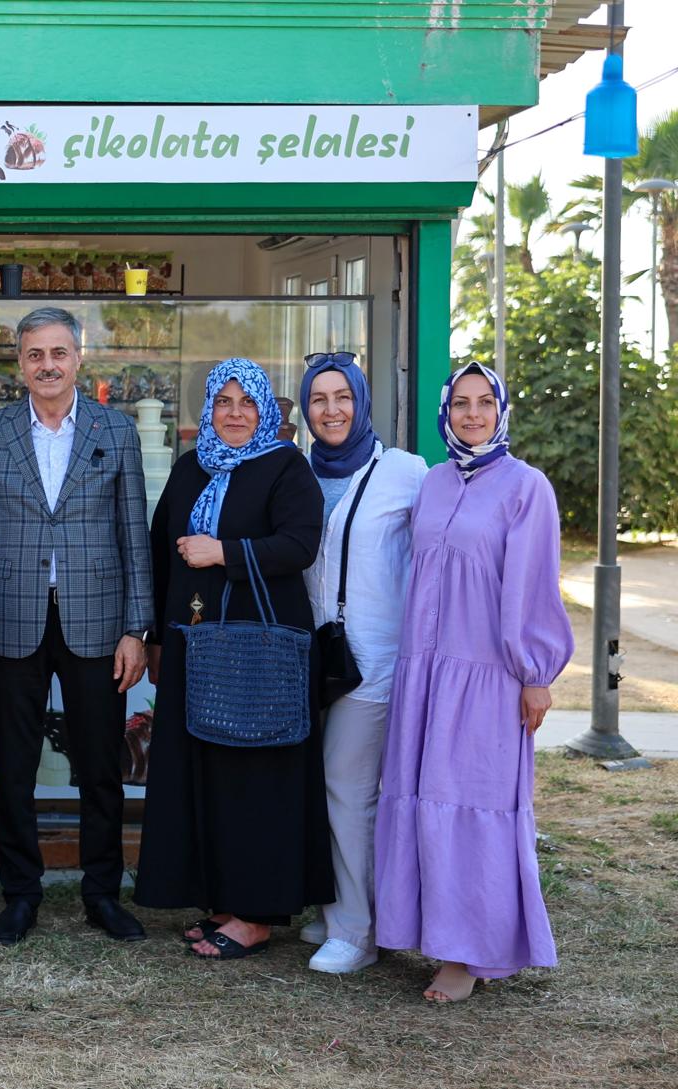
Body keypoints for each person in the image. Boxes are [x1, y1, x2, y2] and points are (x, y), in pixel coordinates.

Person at [0, 306, 151, 946]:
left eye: (59, 353)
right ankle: (20, 896)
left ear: (78, 358)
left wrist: (136, 628)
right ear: (20, 362)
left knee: (100, 767)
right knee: (16, 766)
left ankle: (103, 894)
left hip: (97, 621)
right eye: (35, 355)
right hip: (14, 620)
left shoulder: (117, 431)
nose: (48, 365)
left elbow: (133, 537)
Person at [374, 362, 573, 1003]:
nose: (473, 414)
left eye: (485, 402)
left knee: (473, 809)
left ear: (501, 409)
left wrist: (534, 675)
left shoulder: (526, 487)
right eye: (461, 403)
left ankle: (468, 955)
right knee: (420, 800)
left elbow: (533, 585)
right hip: (424, 676)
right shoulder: (432, 483)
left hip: (486, 679)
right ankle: (428, 933)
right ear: (445, 412)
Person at [135, 357, 332, 960]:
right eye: (223, 402)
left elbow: (298, 545)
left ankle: (256, 914)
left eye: (248, 402)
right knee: (205, 775)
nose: (236, 413)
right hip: (195, 645)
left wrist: (222, 552)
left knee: (254, 777)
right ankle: (221, 900)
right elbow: (162, 551)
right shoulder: (192, 467)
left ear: (267, 411)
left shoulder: (285, 466)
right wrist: (157, 639)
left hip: (257, 653)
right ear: (208, 412)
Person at [296, 352, 428, 974]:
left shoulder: (405, 472)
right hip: (308, 657)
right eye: (318, 399)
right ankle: (333, 907)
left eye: (342, 397)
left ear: (363, 400)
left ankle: (358, 930)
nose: (331, 411)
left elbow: (440, 554)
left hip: (374, 657)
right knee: (321, 786)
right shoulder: (294, 471)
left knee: (349, 790)